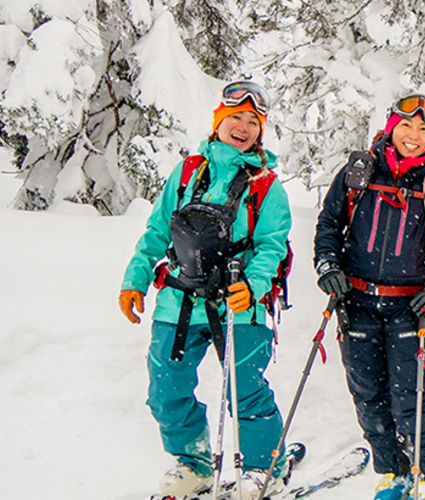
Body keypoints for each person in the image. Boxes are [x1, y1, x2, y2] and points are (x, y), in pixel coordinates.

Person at [119, 81, 292, 499]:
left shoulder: (266, 185)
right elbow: (158, 230)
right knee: (166, 388)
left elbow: (272, 245)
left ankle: (264, 465)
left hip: (238, 305)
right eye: (236, 117)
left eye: (253, 121)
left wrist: (252, 286)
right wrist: (135, 279)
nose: (244, 127)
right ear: (219, 120)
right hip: (178, 301)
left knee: (245, 389)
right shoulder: (187, 171)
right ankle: (191, 461)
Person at [312, 93, 425, 500]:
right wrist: (328, 266)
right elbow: (329, 225)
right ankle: (393, 471)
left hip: (408, 307)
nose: (413, 136)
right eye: (406, 126)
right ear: (391, 127)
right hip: (356, 302)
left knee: (411, 394)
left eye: (423, 129)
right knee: (367, 393)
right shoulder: (360, 171)